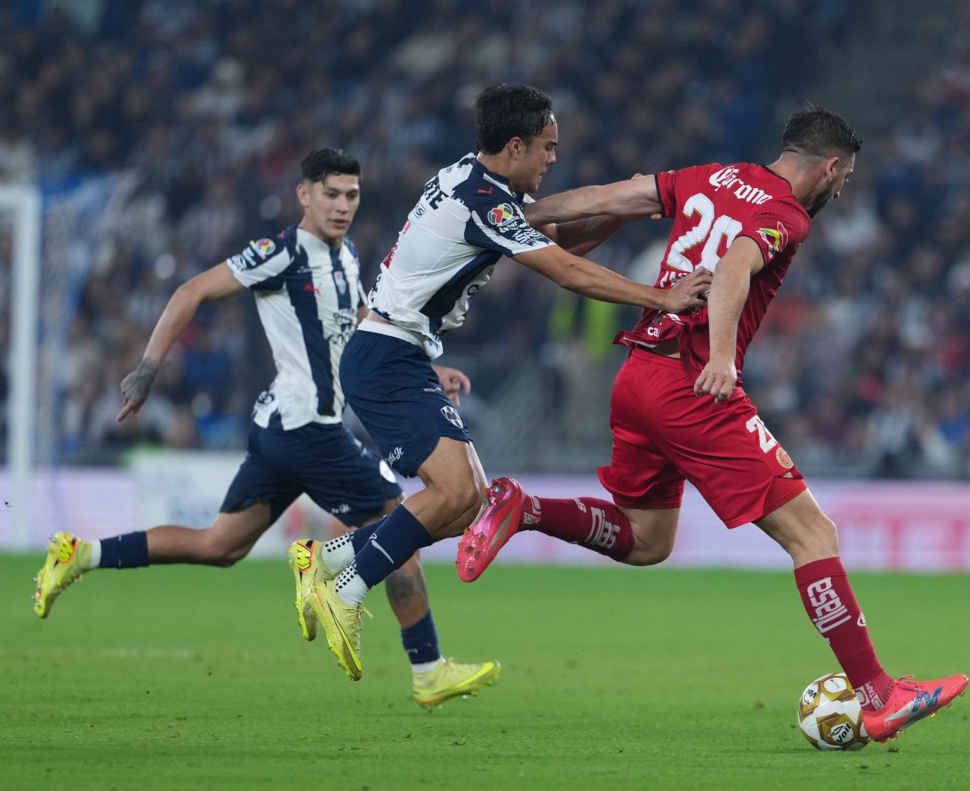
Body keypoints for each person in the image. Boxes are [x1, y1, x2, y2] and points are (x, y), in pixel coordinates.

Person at [457, 105, 969, 743]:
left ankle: (523, 508)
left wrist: (516, 218)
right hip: (691, 385)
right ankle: (880, 694)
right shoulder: (787, 213)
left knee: (647, 541)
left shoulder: (711, 176)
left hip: (638, 375)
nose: (842, 190)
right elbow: (732, 268)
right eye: (845, 178)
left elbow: (610, 194)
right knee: (813, 534)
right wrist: (722, 357)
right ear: (831, 167)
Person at [33, 148, 500, 708]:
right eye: (331, 193)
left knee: (220, 545)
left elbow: (354, 323)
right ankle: (423, 665)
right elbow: (191, 292)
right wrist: (147, 369)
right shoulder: (279, 253)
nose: (343, 205)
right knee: (399, 527)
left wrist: (426, 369)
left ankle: (80, 555)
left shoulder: (347, 256)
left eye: (351, 195)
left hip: (282, 430)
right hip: (308, 427)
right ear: (304, 194)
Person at [300, 84, 713, 681]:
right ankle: (345, 590)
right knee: (455, 494)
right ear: (515, 146)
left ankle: (327, 560)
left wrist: (619, 210)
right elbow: (564, 269)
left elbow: (555, 243)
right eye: (547, 147)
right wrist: (660, 296)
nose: (552, 158)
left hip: (396, 353)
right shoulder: (484, 202)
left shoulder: (472, 182)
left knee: (467, 501)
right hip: (387, 355)